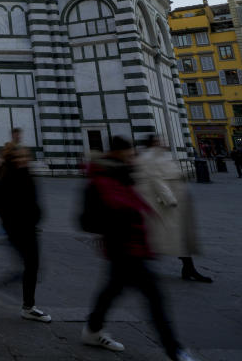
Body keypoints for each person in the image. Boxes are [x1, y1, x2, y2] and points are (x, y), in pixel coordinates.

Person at [81, 136, 194, 361]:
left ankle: (93, 328)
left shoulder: (124, 173)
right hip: (124, 247)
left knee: (112, 290)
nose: (134, 157)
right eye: (131, 153)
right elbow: (88, 219)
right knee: (153, 298)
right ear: (120, 152)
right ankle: (174, 350)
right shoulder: (103, 179)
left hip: (130, 247)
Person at [0, 131, 52, 322]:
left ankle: (27, 303)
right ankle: (23, 301)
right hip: (18, 229)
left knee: (31, 266)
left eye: (25, 156)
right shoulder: (7, 177)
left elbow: (33, 201)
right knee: (30, 265)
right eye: (19, 157)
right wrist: (10, 222)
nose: (23, 159)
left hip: (28, 227)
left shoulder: (26, 174)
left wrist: (36, 217)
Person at [136, 135, 212, 283]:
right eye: (158, 141)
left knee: (178, 237)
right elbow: (156, 180)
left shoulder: (163, 156)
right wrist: (169, 198)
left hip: (174, 203)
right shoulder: (149, 158)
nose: (164, 142)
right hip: (164, 204)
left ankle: (188, 268)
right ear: (152, 143)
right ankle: (135, 266)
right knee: (163, 237)